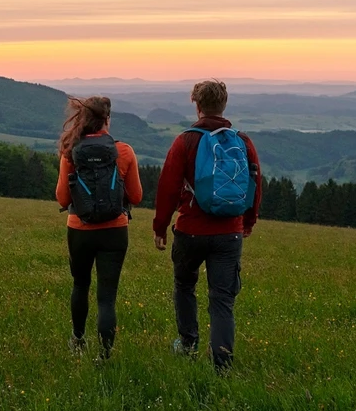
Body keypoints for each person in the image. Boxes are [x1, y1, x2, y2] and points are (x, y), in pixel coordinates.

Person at [153, 79, 262, 371]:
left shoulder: (185, 141)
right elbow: (254, 184)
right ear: (224, 104)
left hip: (190, 230)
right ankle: (222, 362)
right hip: (229, 232)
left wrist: (160, 227)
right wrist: (248, 222)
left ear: (197, 105)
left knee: (184, 285)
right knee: (222, 298)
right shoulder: (243, 141)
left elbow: (167, 187)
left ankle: (188, 344)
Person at [55, 96, 144, 359]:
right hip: (115, 231)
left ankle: (78, 340)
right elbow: (137, 197)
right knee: (107, 296)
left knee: (80, 285)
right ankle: (105, 355)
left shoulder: (71, 150)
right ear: (107, 119)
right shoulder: (124, 151)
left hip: (79, 229)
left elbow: (62, 198)